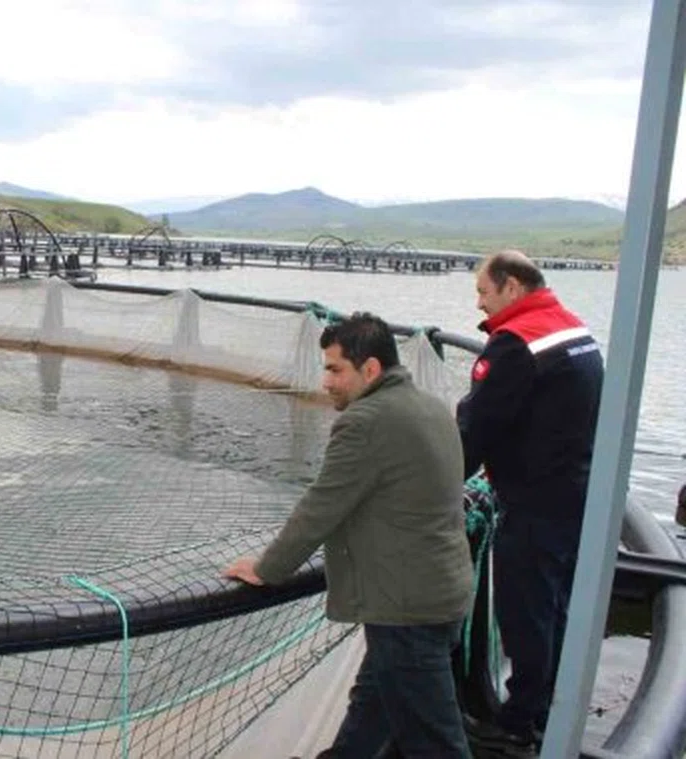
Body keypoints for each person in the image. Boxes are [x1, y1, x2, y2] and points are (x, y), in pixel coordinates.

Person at [223, 312, 473, 758]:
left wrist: (267, 569)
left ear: (370, 369)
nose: (326, 382)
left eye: (335, 369)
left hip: (406, 612)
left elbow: (321, 507)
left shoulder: (366, 421)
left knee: (437, 744)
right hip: (441, 594)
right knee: (370, 714)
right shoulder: (432, 407)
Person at [457, 250, 604, 753]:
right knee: (557, 607)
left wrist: (438, 486)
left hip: (533, 503)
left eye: (483, 291)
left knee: (525, 613)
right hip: (576, 494)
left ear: (512, 287)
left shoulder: (515, 343)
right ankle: (549, 708)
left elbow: (476, 428)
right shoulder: (574, 329)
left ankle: (519, 723)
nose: (479, 303)